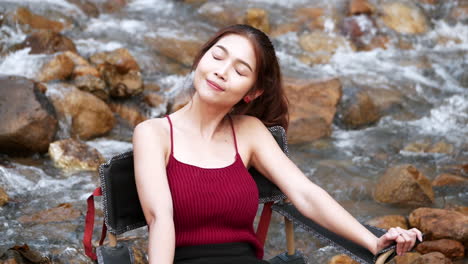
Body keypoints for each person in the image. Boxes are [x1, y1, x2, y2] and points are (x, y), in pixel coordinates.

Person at [132, 24, 423, 264]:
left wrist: (374, 242)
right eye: (217, 56)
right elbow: (160, 218)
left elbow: (306, 193)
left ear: (253, 92)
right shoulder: (153, 134)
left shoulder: (249, 132)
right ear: (200, 59)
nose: (221, 71)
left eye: (240, 70)